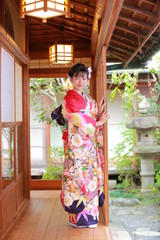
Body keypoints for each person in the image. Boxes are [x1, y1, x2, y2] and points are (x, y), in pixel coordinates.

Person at [60, 63, 109, 228]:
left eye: (83, 78)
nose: (80, 81)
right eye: (77, 78)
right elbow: (79, 120)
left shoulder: (90, 100)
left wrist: (98, 111)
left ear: (87, 80)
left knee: (91, 180)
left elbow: (92, 117)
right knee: (76, 179)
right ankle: (77, 218)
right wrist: (98, 121)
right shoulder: (69, 99)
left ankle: (91, 218)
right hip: (76, 148)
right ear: (71, 79)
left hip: (89, 149)